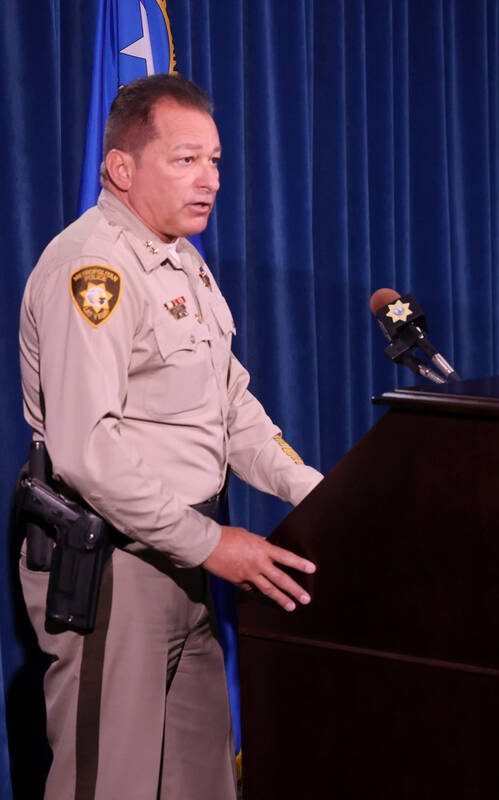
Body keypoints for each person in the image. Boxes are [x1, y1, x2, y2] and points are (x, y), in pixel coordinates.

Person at [17, 74, 323, 799]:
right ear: (123, 169)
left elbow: (231, 408)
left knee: (201, 778)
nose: (210, 180)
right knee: (109, 782)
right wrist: (215, 545)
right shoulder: (92, 270)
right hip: (115, 563)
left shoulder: (181, 258)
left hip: (188, 554)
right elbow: (89, 454)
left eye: (215, 161)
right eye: (186, 160)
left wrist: (318, 494)